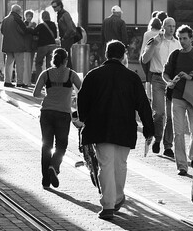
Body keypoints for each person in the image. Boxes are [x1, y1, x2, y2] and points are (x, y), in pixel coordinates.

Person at [77, 40, 154, 220]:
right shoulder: (132, 77)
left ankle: (108, 205)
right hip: (125, 128)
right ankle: (117, 197)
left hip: (100, 127)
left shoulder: (93, 75)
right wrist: (149, 129)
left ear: (106, 54)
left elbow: (82, 99)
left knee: (105, 165)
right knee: (121, 165)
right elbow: (143, 105)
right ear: (123, 56)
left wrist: (84, 118)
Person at [163, 25, 193, 176]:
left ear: (191, 38)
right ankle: (182, 165)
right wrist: (169, 82)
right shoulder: (175, 55)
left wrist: (191, 76)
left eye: (185, 38)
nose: (182, 41)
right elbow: (166, 73)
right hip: (177, 97)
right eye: (180, 38)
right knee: (179, 132)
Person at [33, 48, 82, 189]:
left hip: (47, 113)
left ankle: (45, 181)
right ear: (66, 60)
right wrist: (72, 100)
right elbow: (83, 92)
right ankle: (54, 167)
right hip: (63, 114)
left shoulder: (46, 73)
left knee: (46, 146)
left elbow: (35, 94)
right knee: (61, 145)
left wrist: (48, 96)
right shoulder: (72, 75)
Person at [141, 17, 180, 158]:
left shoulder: (178, 44)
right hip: (157, 79)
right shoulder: (155, 41)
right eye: (169, 26)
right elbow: (144, 59)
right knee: (159, 113)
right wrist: (153, 45)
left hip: (172, 81)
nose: (171, 28)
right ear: (163, 27)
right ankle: (157, 138)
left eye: (173, 26)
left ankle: (168, 145)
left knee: (170, 115)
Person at [1, 4, 34, 88]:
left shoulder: (5, 19)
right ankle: (19, 82)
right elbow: (24, 30)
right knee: (19, 64)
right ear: (18, 11)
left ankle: (7, 81)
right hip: (17, 45)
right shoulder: (17, 19)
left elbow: (2, 31)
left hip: (8, 45)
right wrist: (31, 29)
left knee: (8, 63)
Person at [33, 11, 58, 82]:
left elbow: (33, 32)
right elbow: (55, 36)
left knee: (38, 63)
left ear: (42, 17)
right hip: (52, 46)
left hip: (42, 46)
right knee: (49, 64)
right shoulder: (53, 24)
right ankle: (49, 81)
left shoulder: (40, 25)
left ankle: (39, 80)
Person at [51, 0, 76, 69]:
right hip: (66, 38)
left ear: (60, 6)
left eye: (55, 7)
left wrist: (64, 37)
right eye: (53, 7)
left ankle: (68, 71)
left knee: (65, 56)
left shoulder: (65, 14)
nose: (53, 8)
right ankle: (68, 71)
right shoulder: (61, 14)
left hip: (67, 38)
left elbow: (70, 28)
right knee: (65, 56)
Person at [23, 10, 37, 85]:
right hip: (26, 46)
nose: (29, 17)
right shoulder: (24, 24)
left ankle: (28, 80)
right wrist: (30, 27)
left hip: (32, 46)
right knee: (26, 64)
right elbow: (24, 31)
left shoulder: (33, 24)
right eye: (28, 16)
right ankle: (25, 81)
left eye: (31, 16)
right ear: (25, 16)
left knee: (30, 63)